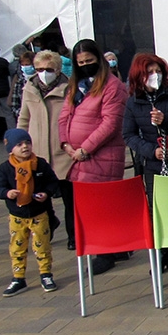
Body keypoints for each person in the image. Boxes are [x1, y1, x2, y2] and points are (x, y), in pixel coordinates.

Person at [58, 38, 129, 274]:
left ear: (98, 59)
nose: (85, 65)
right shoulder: (76, 86)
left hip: (101, 154)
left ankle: (106, 253)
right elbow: (64, 116)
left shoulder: (112, 86)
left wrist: (85, 148)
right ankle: (115, 248)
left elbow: (111, 123)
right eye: (80, 62)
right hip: (78, 156)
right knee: (92, 206)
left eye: (89, 60)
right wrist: (65, 143)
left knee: (102, 206)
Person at [123, 53, 168, 276]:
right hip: (155, 164)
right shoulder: (134, 101)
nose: (154, 75)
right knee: (158, 211)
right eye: (149, 72)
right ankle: (162, 254)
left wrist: (166, 121)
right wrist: (151, 151)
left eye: (157, 71)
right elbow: (128, 134)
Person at [18, 50, 75, 249]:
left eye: (49, 69)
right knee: (40, 197)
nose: (44, 73)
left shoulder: (69, 88)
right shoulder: (29, 88)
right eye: (39, 69)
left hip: (63, 152)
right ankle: (48, 226)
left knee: (70, 199)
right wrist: (19, 143)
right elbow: (24, 117)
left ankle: (73, 235)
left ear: (58, 70)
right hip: (38, 151)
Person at [0, 129, 59, 296]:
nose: (25, 147)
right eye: (19, 144)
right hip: (17, 215)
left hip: (39, 213)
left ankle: (46, 274)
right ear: (10, 150)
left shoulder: (40, 164)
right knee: (17, 247)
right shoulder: (6, 168)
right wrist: (7, 193)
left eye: (27, 143)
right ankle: (18, 278)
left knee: (42, 246)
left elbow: (53, 182)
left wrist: (46, 193)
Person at [10, 50, 35, 120]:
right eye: (22, 65)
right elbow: (15, 104)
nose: (24, 67)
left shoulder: (40, 81)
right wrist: (21, 114)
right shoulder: (20, 82)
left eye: (27, 64)